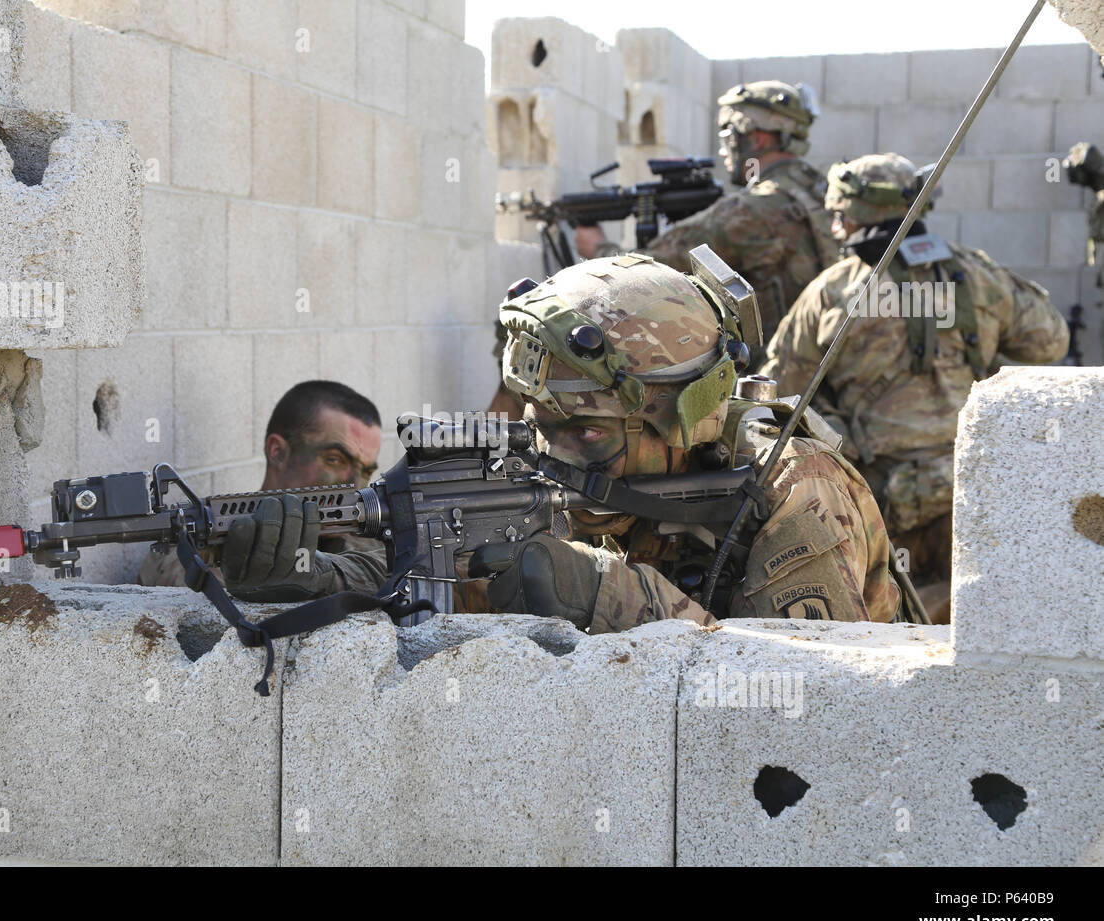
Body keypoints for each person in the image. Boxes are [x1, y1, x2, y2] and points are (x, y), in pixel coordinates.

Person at [222, 252, 902, 628]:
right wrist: (309, 574)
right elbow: (423, 573)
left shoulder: (792, 482)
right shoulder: (537, 464)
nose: (555, 452)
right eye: (541, 420)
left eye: (586, 430)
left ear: (682, 416)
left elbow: (801, 690)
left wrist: (604, 593)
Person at [760, 153, 1070, 623]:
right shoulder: (974, 274)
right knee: (984, 624)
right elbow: (1051, 340)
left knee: (891, 636)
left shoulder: (831, 291)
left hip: (877, 499)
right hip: (970, 489)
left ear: (849, 215)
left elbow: (782, 392)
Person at [576, 80, 841, 334]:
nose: (724, 150)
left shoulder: (749, 209)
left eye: (728, 136)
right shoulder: (825, 190)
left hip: (768, 374)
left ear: (758, 139)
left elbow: (649, 273)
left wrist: (598, 248)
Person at [137, 380, 385, 591]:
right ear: (278, 452)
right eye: (335, 460)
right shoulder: (196, 543)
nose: (356, 485)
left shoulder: (373, 547)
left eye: (365, 470)